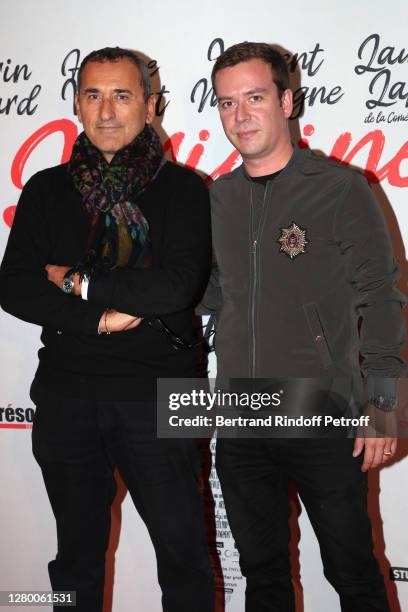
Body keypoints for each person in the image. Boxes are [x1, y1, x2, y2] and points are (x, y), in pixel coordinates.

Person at [0, 47, 214, 612]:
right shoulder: (47, 190)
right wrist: (96, 318)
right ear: (77, 104)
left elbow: (175, 287)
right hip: (69, 395)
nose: (108, 111)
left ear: (150, 104)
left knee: (185, 556)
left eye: (122, 95)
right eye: (93, 95)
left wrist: (77, 281)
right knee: (74, 561)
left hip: (164, 393)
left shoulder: (186, 190)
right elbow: (17, 286)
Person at [200, 41, 407, 611]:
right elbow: (212, 293)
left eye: (255, 98)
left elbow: (381, 299)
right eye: (225, 103)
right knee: (262, 577)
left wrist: (383, 404)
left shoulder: (341, 189)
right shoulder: (218, 197)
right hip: (241, 420)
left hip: (324, 411)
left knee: (352, 572)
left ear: (288, 100)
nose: (239, 116)